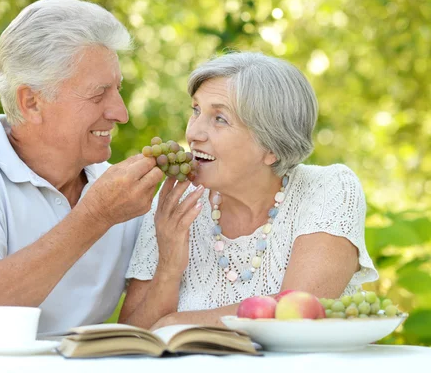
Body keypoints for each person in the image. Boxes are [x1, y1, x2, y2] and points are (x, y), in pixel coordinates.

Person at [0, 0, 163, 345]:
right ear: (31, 102)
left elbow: (147, 319)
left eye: (117, 89)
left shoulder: (118, 192)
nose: (121, 113)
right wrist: (96, 215)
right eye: (98, 94)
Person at [120, 51, 379, 330]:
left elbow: (298, 311)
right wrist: (169, 267)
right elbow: (132, 335)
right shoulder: (174, 202)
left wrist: (173, 322)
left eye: (220, 118)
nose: (194, 133)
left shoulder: (328, 189)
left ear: (272, 148)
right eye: (196, 110)